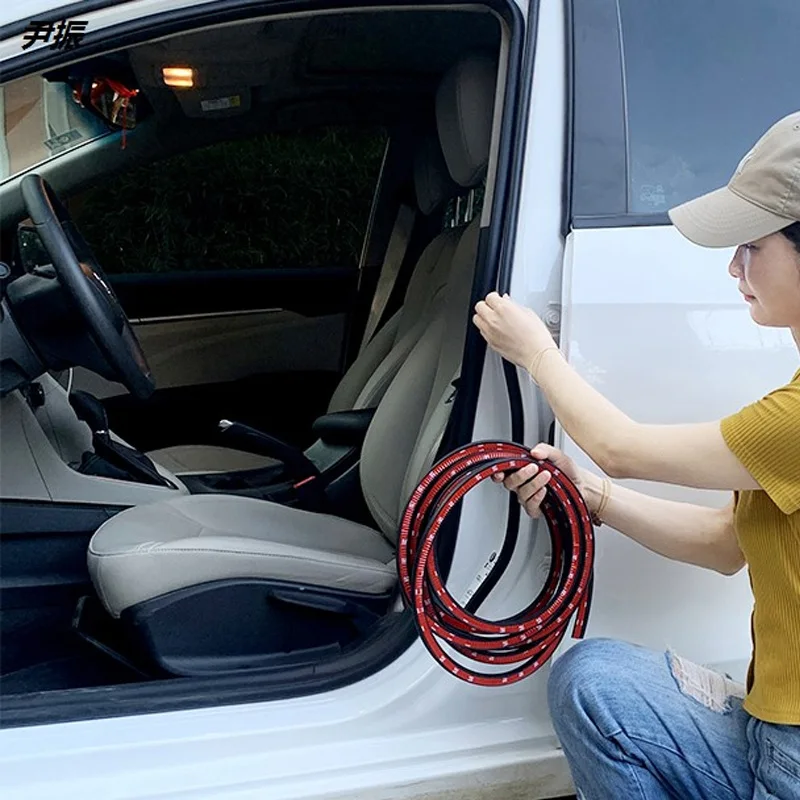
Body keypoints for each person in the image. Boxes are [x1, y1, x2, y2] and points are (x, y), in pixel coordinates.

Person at [473, 111, 800, 799]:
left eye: (752, 245)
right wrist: (591, 495)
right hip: (771, 728)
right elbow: (726, 544)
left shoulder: (793, 420)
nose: (734, 266)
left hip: (792, 754)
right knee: (591, 681)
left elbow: (620, 447)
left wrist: (536, 352)